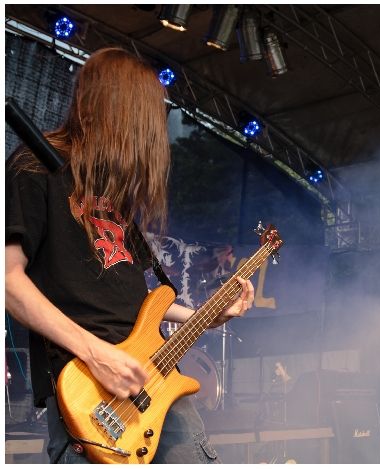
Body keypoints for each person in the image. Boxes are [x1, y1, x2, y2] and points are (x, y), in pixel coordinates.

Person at [5, 47, 255, 464]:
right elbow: (9, 280)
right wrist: (95, 353)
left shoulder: (114, 198)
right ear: (120, 110)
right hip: (90, 386)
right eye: (148, 114)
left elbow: (141, 301)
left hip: (153, 377)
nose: (153, 130)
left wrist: (206, 315)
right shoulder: (34, 166)